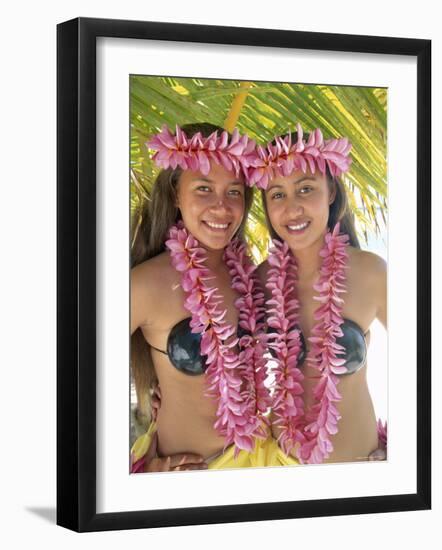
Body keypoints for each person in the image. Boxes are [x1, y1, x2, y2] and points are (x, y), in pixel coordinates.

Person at [130, 122, 288, 472]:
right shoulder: (145, 284)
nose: (222, 207)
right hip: (187, 479)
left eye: (234, 192)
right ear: (175, 193)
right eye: (204, 188)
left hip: (262, 463)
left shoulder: (257, 279)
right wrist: (132, 473)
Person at [249, 123, 387, 464]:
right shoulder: (259, 281)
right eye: (277, 194)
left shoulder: (370, 272)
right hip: (280, 468)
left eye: (305, 189)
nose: (291, 208)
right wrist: (155, 392)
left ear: (332, 194)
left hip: (359, 471)